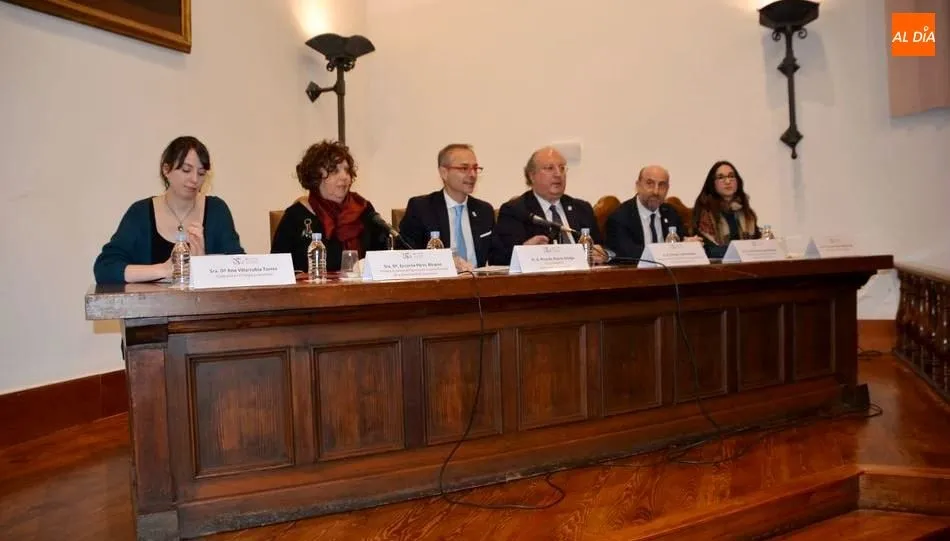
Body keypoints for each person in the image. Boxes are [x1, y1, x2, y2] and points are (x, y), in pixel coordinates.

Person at [93, 136, 244, 284]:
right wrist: (164, 270)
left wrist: (204, 264)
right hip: (150, 307)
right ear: (166, 169)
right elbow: (105, 268)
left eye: (201, 173)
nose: (194, 180)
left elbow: (241, 269)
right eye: (186, 170)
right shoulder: (140, 212)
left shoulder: (217, 210)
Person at [271, 140, 389, 272]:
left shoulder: (363, 209)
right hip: (312, 291)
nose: (344, 177)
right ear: (316, 176)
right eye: (334, 171)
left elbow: (383, 259)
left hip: (363, 290)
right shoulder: (296, 217)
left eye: (347, 170)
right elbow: (277, 270)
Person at [494, 146, 607, 264]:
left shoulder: (582, 208)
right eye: (549, 168)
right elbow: (499, 259)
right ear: (532, 175)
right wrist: (523, 252)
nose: (558, 174)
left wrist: (604, 254)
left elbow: (605, 248)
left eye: (562, 168)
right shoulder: (515, 211)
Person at [398, 144, 496, 270]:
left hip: (477, 285)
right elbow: (407, 254)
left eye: (475, 168)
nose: (472, 174)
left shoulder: (484, 210)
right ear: (444, 172)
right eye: (464, 168)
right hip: (438, 286)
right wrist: (445, 262)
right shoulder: (422, 208)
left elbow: (497, 256)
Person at [605, 165, 694, 261]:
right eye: (650, 183)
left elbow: (682, 243)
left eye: (662, 185)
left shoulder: (671, 213)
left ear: (667, 189)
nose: (656, 191)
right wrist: (669, 252)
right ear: (638, 186)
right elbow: (628, 254)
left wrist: (689, 246)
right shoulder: (620, 217)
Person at [692, 160, 761, 259]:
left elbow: (757, 243)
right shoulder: (704, 212)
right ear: (712, 183)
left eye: (731, 176)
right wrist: (743, 250)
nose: (728, 181)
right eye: (720, 177)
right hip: (718, 268)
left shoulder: (746, 212)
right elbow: (708, 250)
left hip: (748, 264)